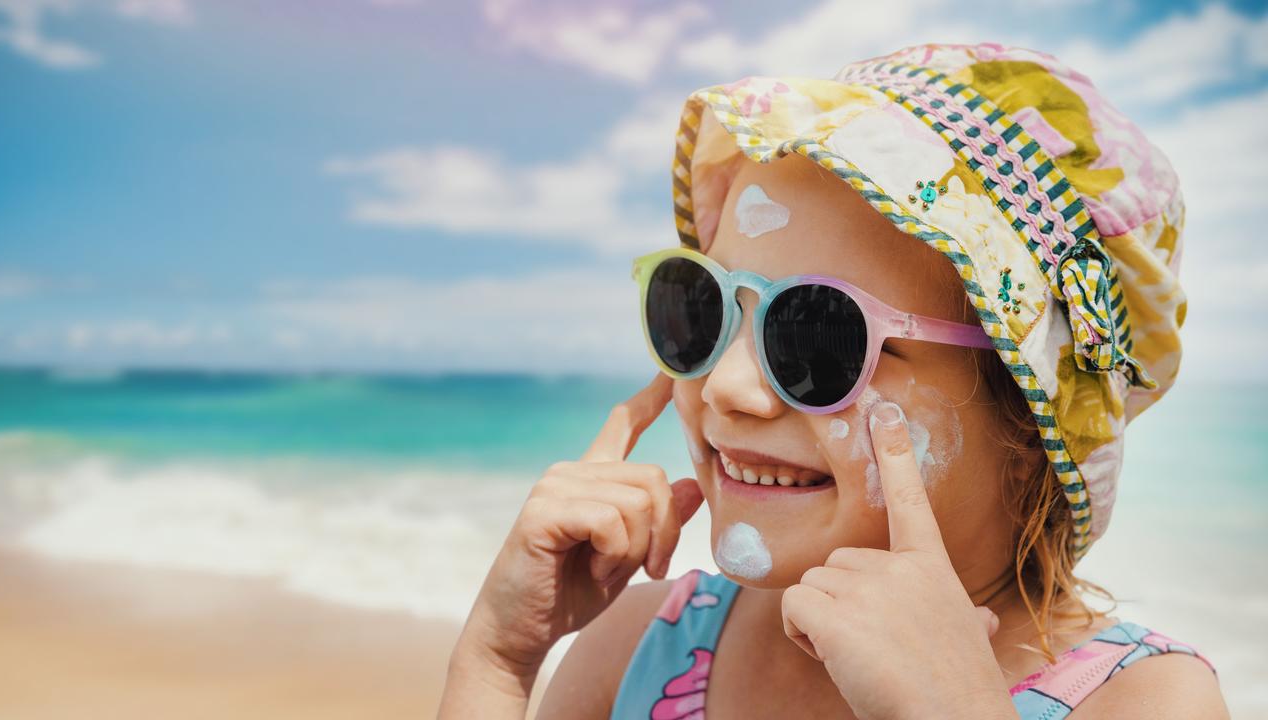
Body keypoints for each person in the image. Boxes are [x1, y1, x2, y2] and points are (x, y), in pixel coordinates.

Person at [438, 42, 1229, 719]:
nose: (727, 388)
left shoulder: (1145, 701)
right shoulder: (637, 644)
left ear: (1029, 424)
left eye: (817, 333)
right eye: (703, 309)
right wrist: (498, 660)